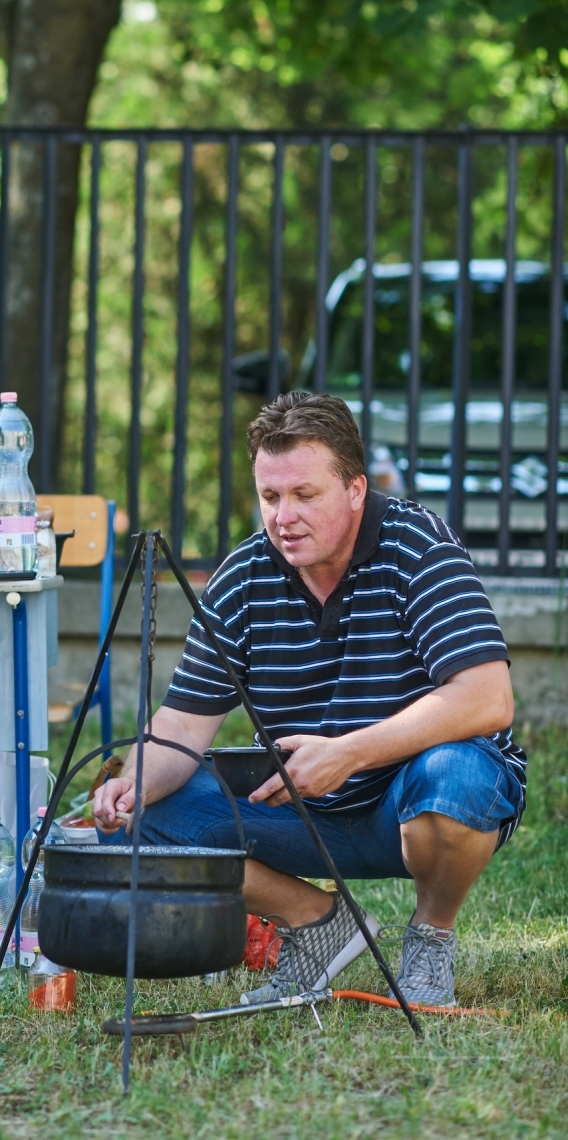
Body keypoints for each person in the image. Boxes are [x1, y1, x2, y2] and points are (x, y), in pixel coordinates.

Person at [93, 392, 526, 1006]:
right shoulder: (242, 575)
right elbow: (182, 729)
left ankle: (430, 935)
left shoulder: (418, 546)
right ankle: (319, 922)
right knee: (136, 815)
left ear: (355, 489)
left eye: (305, 495)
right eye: (270, 497)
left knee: (457, 776)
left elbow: (487, 698)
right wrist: (131, 783)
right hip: (297, 807)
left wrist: (348, 753)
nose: (284, 517)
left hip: (409, 801)